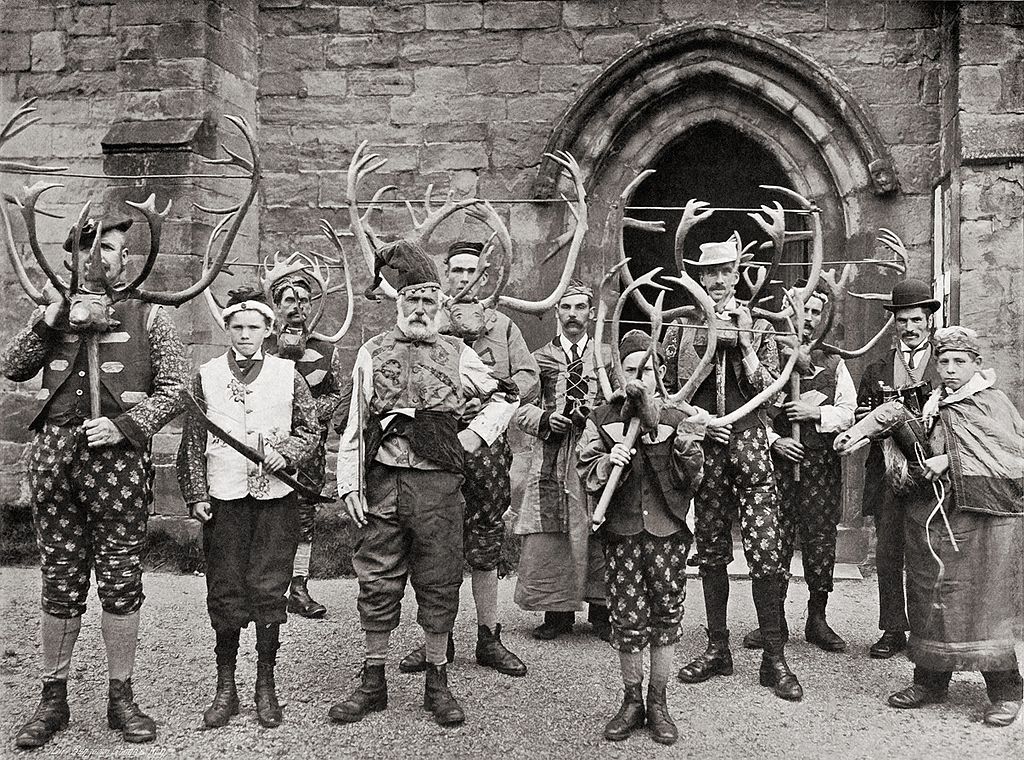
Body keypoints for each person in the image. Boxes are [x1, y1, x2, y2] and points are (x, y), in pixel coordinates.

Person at [5, 218, 188, 749]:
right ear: (71, 259)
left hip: (118, 466)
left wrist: (125, 426)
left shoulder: (151, 315)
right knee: (59, 580)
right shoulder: (54, 311)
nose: (98, 257)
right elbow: (14, 366)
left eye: (109, 248)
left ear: (125, 261)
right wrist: (46, 321)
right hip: (55, 462)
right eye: (88, 248)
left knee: (120, 581)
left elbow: (177, 389)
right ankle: (53, 698)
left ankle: (120, 698)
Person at [329, 240, 518, 727]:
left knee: (439, 581)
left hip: (439, 490)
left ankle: (437, 682)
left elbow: (508, 397)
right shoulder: (373, 352)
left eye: (428, 302)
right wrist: (349, 483)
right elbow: (354, 421)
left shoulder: (457, 353)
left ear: (440, 308)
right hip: (384, 483)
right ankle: (373, 682)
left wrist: (475, 437)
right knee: (376, 577)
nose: (419, 310)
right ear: (399, 304)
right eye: (411, 301)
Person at [664, 236, 802, 701]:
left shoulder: (762, 326)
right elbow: (666, 397)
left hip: (751, 453)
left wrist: (744, 346)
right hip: (708, 457)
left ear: (737, 273)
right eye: (710, 273)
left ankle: (774, 656)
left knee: (766, 552)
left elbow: (775, 394)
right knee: (712, 551)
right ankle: (717, 648)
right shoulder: (680, 329)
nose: (718, 280)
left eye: (726, 271)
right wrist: (699, 424)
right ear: (700, 277)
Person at [176, 286, 321, 729]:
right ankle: (226, 687)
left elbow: (310, 427)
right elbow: (193, 439)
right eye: (237, 327)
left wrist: (288, 451)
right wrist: (197, 494)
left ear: (267, 329)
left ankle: (265, 685)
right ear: (227, 329)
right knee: (225, 588)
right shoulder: (206, 374)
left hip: (274, 499)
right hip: (224, 499)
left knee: (268, 587)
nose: (244, 334)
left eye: (253, 327)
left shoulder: (286, 373)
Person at [399, 240, 538, 678]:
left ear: (485, 274)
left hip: (485, 445)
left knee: (486, 540)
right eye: (456, 271)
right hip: (437, 445)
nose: (464, 279)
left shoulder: (502, 324)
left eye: (472, 271)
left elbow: (528, 379)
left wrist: (486, 399)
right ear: (446, 275)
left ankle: (488, 638)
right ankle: (438, 638)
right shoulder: (425, 320)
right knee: (435, 539)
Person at [882, 326, 1023, 727]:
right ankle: (930, 679)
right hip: (935, 516)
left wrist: (950, 461)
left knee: (982, 600)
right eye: (943, 361)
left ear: (977, 364)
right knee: (931, 593)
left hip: (981, 522)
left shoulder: (991, 403)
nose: (949, 369)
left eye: (959, 361)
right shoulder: (932, 404)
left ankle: (1005, 689)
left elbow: (1012, 454)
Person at [578, 330, 709, 745]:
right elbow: (585, 467)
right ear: (618, 374)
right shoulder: (602, 418)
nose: (639, 377)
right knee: (627, 618)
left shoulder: (675, 417)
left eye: (647, 369)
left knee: (666, 617)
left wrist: (689, 447)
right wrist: (605, 461)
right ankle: (631, 701)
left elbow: (693, 478)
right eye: (630, 369)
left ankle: (659, 702)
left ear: (659, 374)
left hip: (666, 534)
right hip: (621, 533)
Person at [744, 288, 855, 652]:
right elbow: (751, 411)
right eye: (798, 310)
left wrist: (816, 414)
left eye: (813, 311)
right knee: (773, 542)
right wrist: (775, 439)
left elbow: (849, 413)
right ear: (784, 314)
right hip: (778, 467)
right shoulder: (767, 359)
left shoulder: (834, 363)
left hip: (820, 467)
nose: (806, 317)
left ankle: (817, 619)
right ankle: (773, 621)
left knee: (820, 540)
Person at [513, 281, 610, 641]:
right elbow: (516, 405)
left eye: (580, 307)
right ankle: (556, 613)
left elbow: (620, 401)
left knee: (600, 526)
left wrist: (601, 419)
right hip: (552, 456)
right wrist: (543, 419)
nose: (573, 315)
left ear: (591, 313)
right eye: (566, 308)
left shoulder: (605, 357)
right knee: (551, 531)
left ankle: (603, 613)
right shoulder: (540, 359)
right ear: (557, 313)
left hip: (594, 453)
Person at [855, 278, 940, 659]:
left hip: (931, 471)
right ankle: (893, 629)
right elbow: (861, 420)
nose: (909, 328)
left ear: (929, 321)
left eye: (916, 320)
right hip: (889, 471)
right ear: (895, 324)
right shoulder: (876, 368)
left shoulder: (944, 365)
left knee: (927, 552)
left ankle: (928, 630)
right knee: (888, 553)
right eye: (903, 321)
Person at [263, 263, 344, 619]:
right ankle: (265, 587)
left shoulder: (326, 351)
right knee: (265, 515)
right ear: (276, 305)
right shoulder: (261, 346)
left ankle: (298, 588)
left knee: (304, 518)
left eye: (304, 300)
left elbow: (338, 396)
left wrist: (305, 410)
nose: (297, 307)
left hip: (309, 451)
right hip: (266, 450)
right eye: (289, 300)